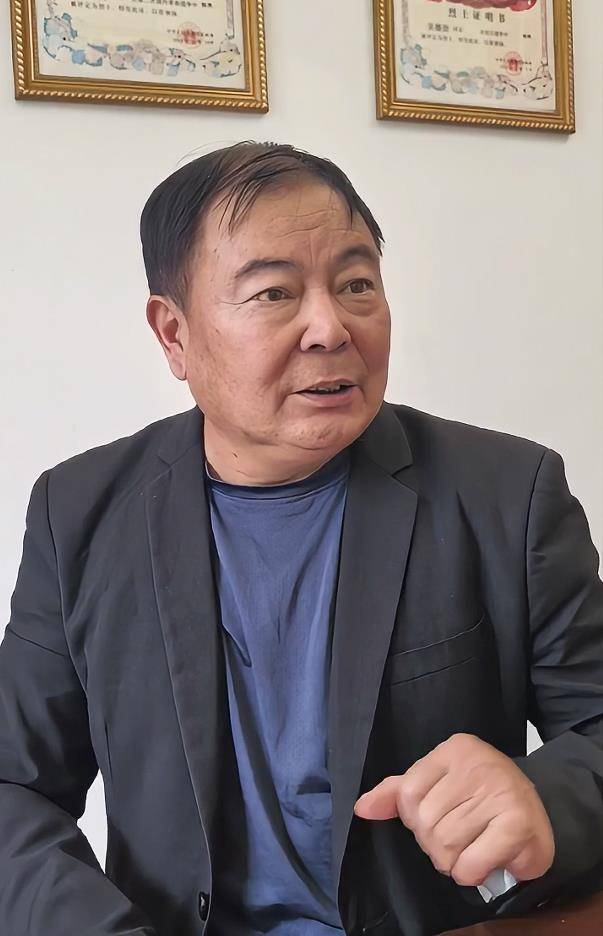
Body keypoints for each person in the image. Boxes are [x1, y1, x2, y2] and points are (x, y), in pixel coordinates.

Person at [0, 141, 601, 936]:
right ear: (174, 334)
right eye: (274, 293)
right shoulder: (79, 513)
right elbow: (15, 786)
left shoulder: (505, 495)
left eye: (356, 284)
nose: (330, 327)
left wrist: (548, 800)